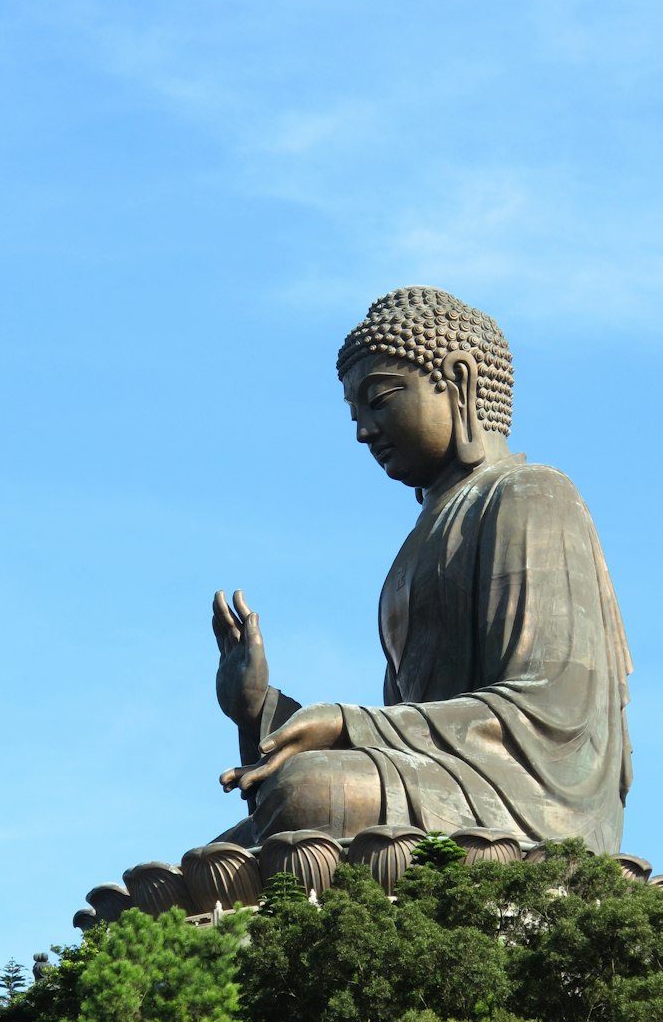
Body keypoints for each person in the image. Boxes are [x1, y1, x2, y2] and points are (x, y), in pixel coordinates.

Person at [212, 286, 632, 853]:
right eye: (355, 414)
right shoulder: (415, 547)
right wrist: (258, 708)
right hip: (446, 784)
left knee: (304, 795)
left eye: (380, 399)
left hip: (527, 801)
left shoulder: (531, 495)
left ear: (459, 381)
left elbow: (549, 716)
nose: (364, 431)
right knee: (245, 835)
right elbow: (404, 733)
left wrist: (346, 723)